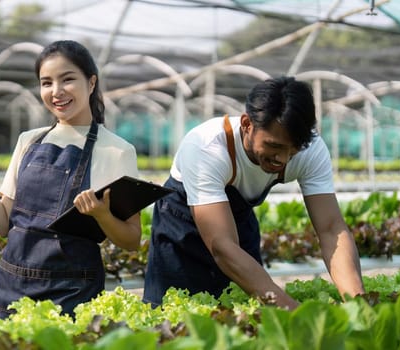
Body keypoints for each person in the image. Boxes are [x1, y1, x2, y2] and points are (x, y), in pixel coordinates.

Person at [0, 40, 141, 318]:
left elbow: (131, 240)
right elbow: (4, 223)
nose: (56, 92)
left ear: (91, 83)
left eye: (67, 80)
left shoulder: (117, 151)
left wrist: (103, 216)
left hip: (73, 292)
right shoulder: (28, 141)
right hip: (12, 286)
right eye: (46, 83)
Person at [143, 76, 365, 310]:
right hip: (182, 229)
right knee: (171, 315)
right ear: (247, 124)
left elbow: (331, 229)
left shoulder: (310, 150)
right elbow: (222, 245)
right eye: (274, 146)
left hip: (238, 224)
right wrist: (292, 310)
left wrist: (358, 304)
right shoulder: (206, 148)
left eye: (293, 149)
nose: (283, 158)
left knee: (245, 313)